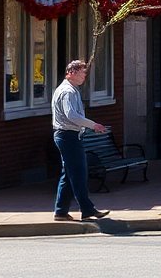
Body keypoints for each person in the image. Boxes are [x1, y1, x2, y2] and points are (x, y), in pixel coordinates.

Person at [52, 60, 111, 222]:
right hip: (68, 136)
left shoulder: (71, 90)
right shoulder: (68, 92)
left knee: (69, 174)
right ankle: (87, 209)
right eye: (82, 72)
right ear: (71, 72)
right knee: (78, 173)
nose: (85, 76)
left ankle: (60, 211)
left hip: (68, 136)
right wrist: (94, 125)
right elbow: (72, 115)